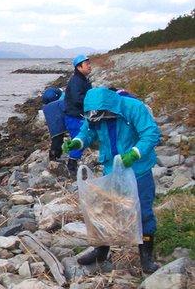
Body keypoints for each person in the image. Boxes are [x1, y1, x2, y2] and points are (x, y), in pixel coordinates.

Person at [62, 87, 160, 273]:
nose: (97, 118)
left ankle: (146, 258)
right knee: (107, 210)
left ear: (110, 108)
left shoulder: (133, 107)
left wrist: (135, 153)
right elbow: (87, 131)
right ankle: (101, 251)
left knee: (143, 211)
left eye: (101, 115)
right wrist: (78, 142)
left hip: (137, 169)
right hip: (111, 167)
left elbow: (151, 133)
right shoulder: (95, 113)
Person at [63, 54, 92, 175]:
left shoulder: (82, 79)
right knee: (79, 139)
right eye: (87, 64)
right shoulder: (76, 81)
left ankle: (73, 163)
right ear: (79, 67)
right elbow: (77, 99)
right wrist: (90, 102)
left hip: (78, 115)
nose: (89, 66)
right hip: (74, 116)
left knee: (83, 138)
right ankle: (71, 166)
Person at [42, 88, 66, 161]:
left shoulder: (47, 107)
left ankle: (55, 155)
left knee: (56, 138)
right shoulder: (61, 100)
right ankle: (54, 156)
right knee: (58, 140)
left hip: (53, 124)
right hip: (57, 124)